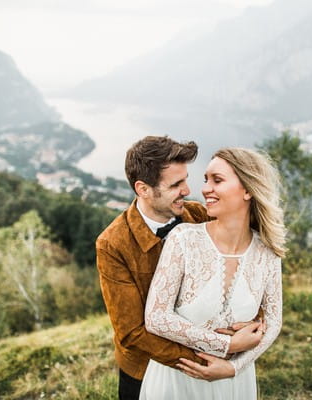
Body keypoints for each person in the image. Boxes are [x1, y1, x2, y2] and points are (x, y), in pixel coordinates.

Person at [96, 137, 263, 400]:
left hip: (212, 367)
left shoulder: (199, 215)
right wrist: (213, 356)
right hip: (145, 371)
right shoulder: (112, 244)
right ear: (144, 189)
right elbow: (132, 332)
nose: (187, 190)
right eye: (176, 184)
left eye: (185, 179)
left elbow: (246, 260)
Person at [139, 147, 286, 400]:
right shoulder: (184, 238)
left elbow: (273, 322)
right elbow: (156, 317)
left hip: (233, 385)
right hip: (176, 384)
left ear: (248, 189)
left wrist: (233, 367)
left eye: (217, 180)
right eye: (206, 180)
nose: (206, 188)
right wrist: (227, 345)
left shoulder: (268, 252)